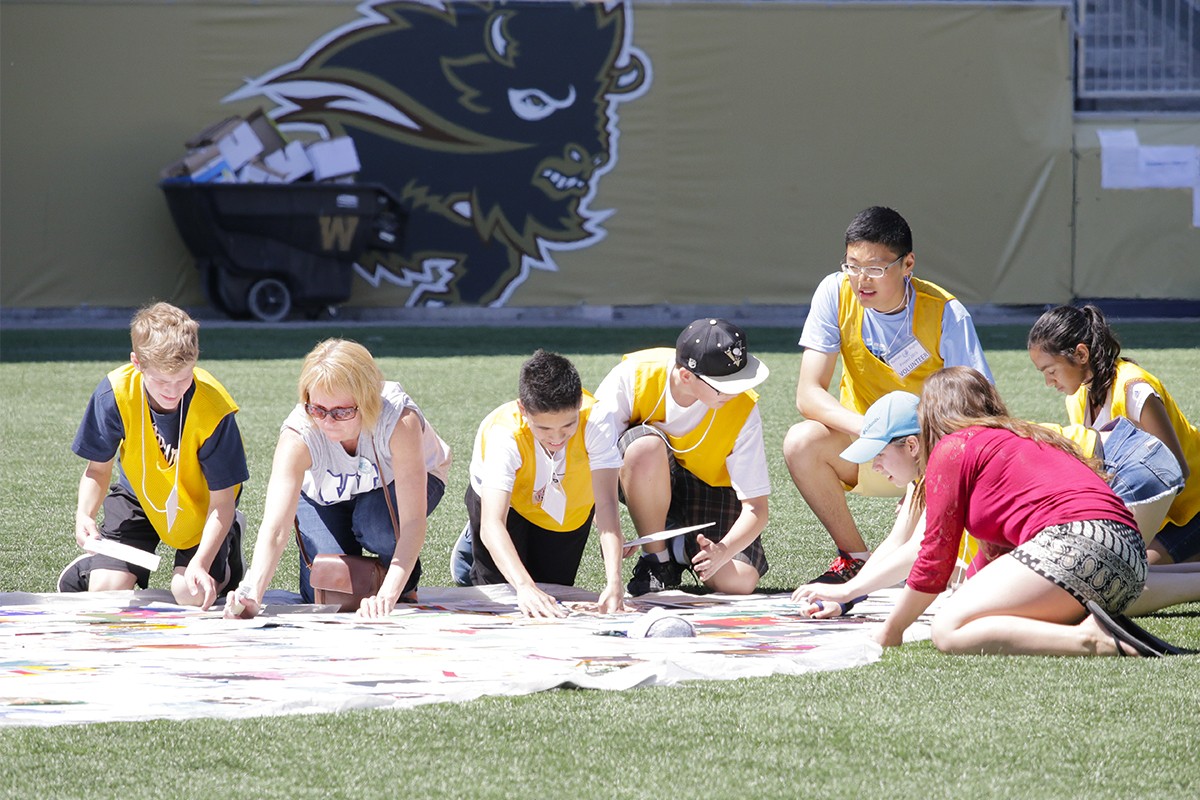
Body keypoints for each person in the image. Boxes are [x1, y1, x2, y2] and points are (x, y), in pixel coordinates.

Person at [795, 382, 1194, 619]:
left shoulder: (949, 459)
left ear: (914, 445)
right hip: (1128, 461)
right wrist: (850, 596)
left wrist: (847, 594)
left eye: (878, 455)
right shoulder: (935, 466)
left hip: (1133, 464)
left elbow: (920, 550)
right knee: (1093, 579)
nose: (875, 467)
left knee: (1098, 587)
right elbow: (896, 545)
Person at [868, 367, 1185, 657]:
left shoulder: (952, 448)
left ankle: (1093, 639)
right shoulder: (1023, 436)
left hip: (1079, 544)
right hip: (1129, 559)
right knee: (971, 612)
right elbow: (995, 555)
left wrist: (892, 628)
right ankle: (1093, 628)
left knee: (949, 629)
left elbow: (935, 557)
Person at [783, 206, 992, 585]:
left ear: (907, 264)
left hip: (926, 453)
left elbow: (976, 410)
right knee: (801, 441)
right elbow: (808, 395)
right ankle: (854, 557)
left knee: (924, 569)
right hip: (866, 446)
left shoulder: (946, 313)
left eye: (876, 268)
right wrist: (876, 433)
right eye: (852, 265)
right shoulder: (835, 291)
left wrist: (928, 471)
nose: (862, 279)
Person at [226, 338, 451, 620]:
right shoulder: (298, 434)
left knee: (375, 525)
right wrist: (251, 592)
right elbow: (275, 528)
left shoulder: (398, 421)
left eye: (342, 412)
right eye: (318, 409)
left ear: (367, 402)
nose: (328, 422)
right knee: (332, 590)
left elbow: (412, 522)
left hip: (396, 486)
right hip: (326, 495)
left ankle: (404, 581)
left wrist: (388, 596)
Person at [60, 302, 248, 610]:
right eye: (161, 381)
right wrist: (85, 515)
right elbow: (97, 469)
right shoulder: (114, 393)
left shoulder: (214, 409)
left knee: (190, 594)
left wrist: (201, 563)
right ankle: (93, 569)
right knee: (105, 595)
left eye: (182, 379)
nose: (173, 391)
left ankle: (228, 548)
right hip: (139, 496)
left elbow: (222, 501)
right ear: (137, 363)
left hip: (202, 505)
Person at [590, 318, 771, 596]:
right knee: (644, 448)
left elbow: (756, 507)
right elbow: (593, 456)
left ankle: (677, 545)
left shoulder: (743, 408)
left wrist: (721, 551)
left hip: (712, 490)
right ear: (686, 376)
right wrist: (608, 526)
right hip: (642, 472)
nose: (735, 392)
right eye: (724, 385)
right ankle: (657, 560)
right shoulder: (634, 375)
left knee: (740, 581)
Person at [450, 350, 627, 618]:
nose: (557, 438)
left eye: (568, 426)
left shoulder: (597, 420)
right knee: (505, 597)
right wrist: (523, 586)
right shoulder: (504, 434)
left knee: (551, 594)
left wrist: (614, 581)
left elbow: (606, 503)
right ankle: (470, 556)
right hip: (507, 504)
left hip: (566, 504)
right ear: (523, 409)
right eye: (543, 429)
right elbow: (492, 524)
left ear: (579, 402)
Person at [1028, 304, 1200, 565]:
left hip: (1189, 509)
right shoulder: (1077, 398)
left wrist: (1130, 525)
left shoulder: (1134, 387)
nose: (1049, 382)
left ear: (1081, 353)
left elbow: (1177, 473)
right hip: (1147, 513)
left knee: (1130, 569)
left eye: (1051, 371)